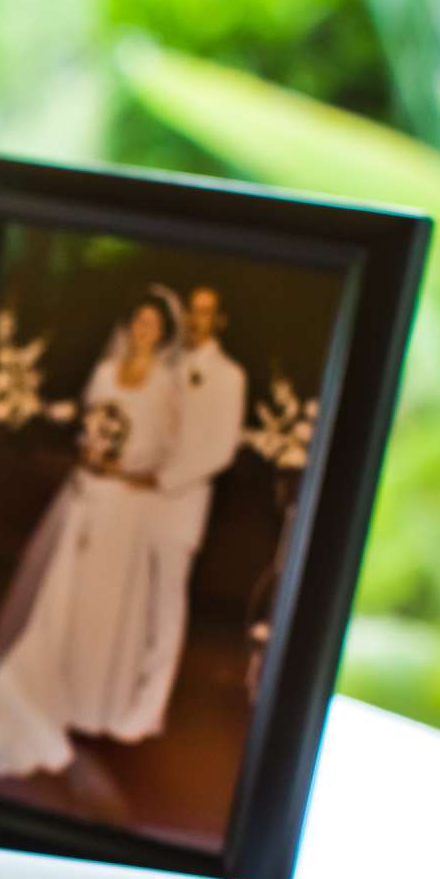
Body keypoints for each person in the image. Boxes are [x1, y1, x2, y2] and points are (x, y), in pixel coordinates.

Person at [0, 292, 186, 778]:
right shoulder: (105, 373)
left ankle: (92, 700)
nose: (144, 329)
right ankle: (47, 688)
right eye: (139, 318)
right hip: (86, 496)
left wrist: (123, 465)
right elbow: (89, 423)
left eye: (154, 324)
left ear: (163, 333)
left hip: (126, 508)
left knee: (108, 601)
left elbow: (164, 449)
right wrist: (93, 453)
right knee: (67, 595)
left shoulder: (163, 383)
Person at [130, 285, 249, 722]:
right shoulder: (168, 363)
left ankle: (148, 710)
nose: (196, 320)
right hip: (135, 503)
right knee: (131, 600)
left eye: (206, 313)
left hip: (180, 506)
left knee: (165, 607)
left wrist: (161, 478)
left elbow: (220, 449)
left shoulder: (230, 376)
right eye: (192, 311)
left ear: (218, 321)